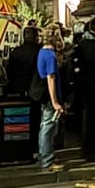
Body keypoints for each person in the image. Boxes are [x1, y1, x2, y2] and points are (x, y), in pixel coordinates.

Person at [74, 18, 95, 163]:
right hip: (90, 88)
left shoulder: (91, 43)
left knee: (92, 119)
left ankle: (91, 148)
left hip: (91, 87)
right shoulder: (90, 45)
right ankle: (88, 150)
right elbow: (94, 67)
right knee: (89, 119)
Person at [35, 25, 65, 172]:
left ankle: (45, 156)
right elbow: (51, 78)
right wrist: (55, 102)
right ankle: (47, 160)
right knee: (48, 127)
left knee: (46, 126)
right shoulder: (51, 55)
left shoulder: (42, 52)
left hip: (44, 95)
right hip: (49, 97)